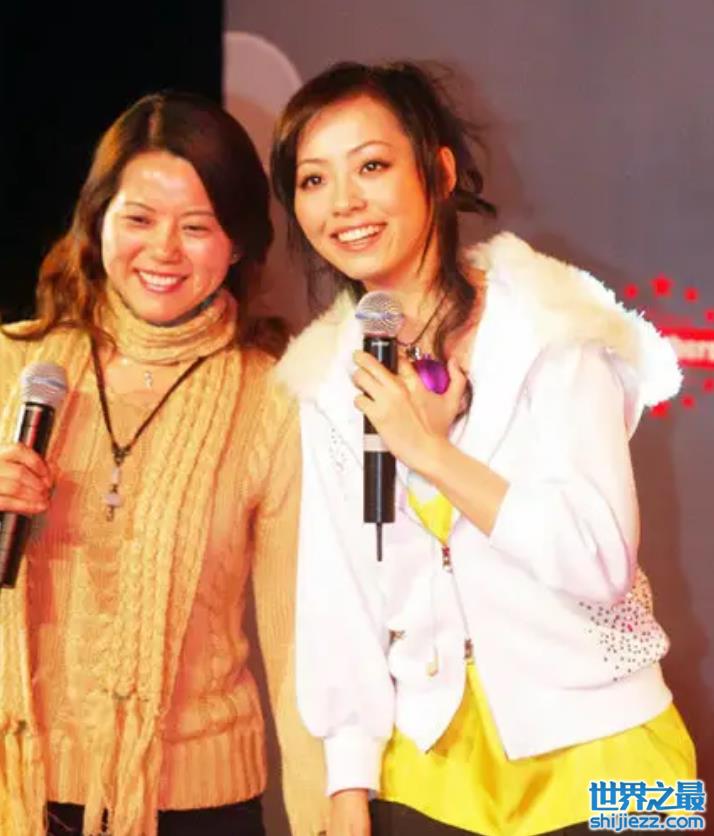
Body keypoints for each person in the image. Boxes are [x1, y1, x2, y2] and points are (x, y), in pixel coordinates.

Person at [270, 62, 696, 836]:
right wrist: (348, 782)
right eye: (313, 180)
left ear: (438, 172)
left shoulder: (556, 325)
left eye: (371, 166)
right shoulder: (328, 379)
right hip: (427, 769)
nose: (343, 204)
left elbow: (600, 561)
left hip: (620, 751)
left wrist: (430, 453)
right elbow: (341, 596)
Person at [0, 92, 325, 836]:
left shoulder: (275, 399)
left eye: (197, 226)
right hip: (17, 792)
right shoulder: (14, 364)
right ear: (98, 222)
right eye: (140, 219)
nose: (164, 250)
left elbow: (298, 648)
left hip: (196, 807)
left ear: (237, 243)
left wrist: (321, 819)